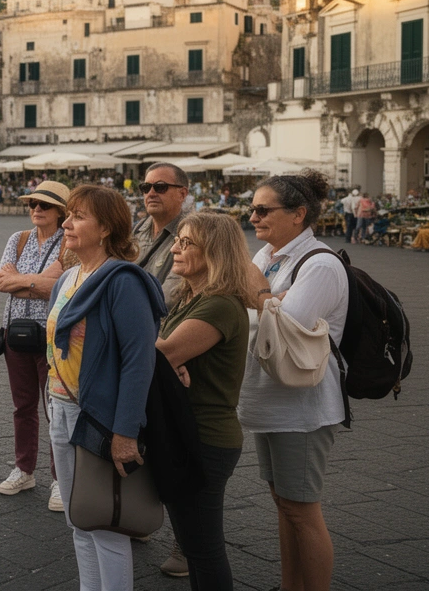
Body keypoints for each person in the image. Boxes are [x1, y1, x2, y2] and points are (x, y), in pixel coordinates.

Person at [45, 184, 166, 591]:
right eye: (68, 215)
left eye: (78, 216)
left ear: (107, 228)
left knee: (107, 526)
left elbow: (139, 361)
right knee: (79, 517)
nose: (66, 223)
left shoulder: (123, 281)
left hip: (98, 414)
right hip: (60, 405)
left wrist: (125, 432)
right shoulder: (67, 278)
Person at [240, 169, 347, 591]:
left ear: (299, 214)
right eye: (252, 209)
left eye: (264, 210)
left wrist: (262, 296)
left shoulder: (320, 264)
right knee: (284, 505)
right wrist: (268, 299)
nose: (254, 217)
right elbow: (248, 309)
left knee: (303, 510)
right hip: (271, 401)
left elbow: (285, 327)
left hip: (302, 408)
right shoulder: (267, 256)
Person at [155, 213, 254, 589]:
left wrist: (166, 363)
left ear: (215, 251)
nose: (176, 249)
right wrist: (166, 363)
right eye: (178, 240)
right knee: (196, 546)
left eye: (187, 243)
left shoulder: (220, 305)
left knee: (204, 548)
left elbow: (159, 355)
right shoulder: (189, 297)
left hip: (207, 438)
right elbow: (162, 357)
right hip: (190, 432)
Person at [0, 182, 72, 509]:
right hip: (15, 332)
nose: (37, 209)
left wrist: (20, 281)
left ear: (60, 212)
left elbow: (58, 286)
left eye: (45, 205)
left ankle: (60, 478)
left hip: (52, 335)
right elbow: (1, 282)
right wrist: (34, 284)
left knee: (55, 408)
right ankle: (24, 469)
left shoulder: (68, 242)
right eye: (34, 203)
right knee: (22, 405)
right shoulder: (18, 238)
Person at [133, 162, 189, 309]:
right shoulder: (137, 230)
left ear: (182, 194)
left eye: (160, 187)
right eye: (145, 188)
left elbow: (170, 296)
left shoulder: (192, 235)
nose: (151, 193)